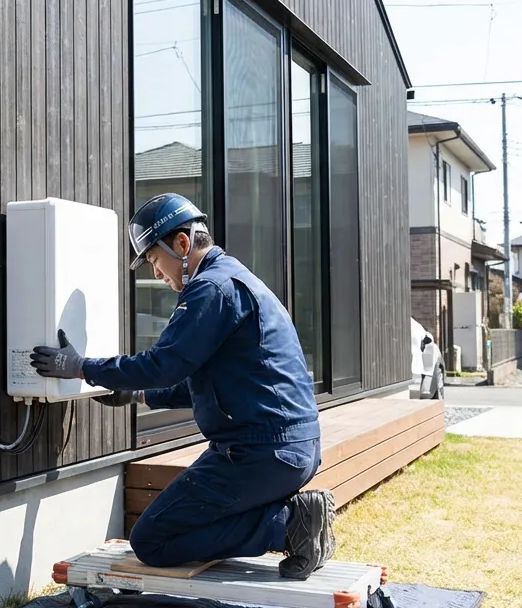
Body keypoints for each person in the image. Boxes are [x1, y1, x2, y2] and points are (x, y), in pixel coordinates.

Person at [29, 193, 335, 580]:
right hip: (283, 448)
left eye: (154, 260)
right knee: (177, 524)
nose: (156, 273)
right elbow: (206, 383)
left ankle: (291, 524)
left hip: (260, 453)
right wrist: (136, 392)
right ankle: (292, 520)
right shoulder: (233, 279)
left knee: (152, 540)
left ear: (182, 243)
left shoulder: (211, 288)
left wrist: (80, 367)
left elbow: (164, 365)